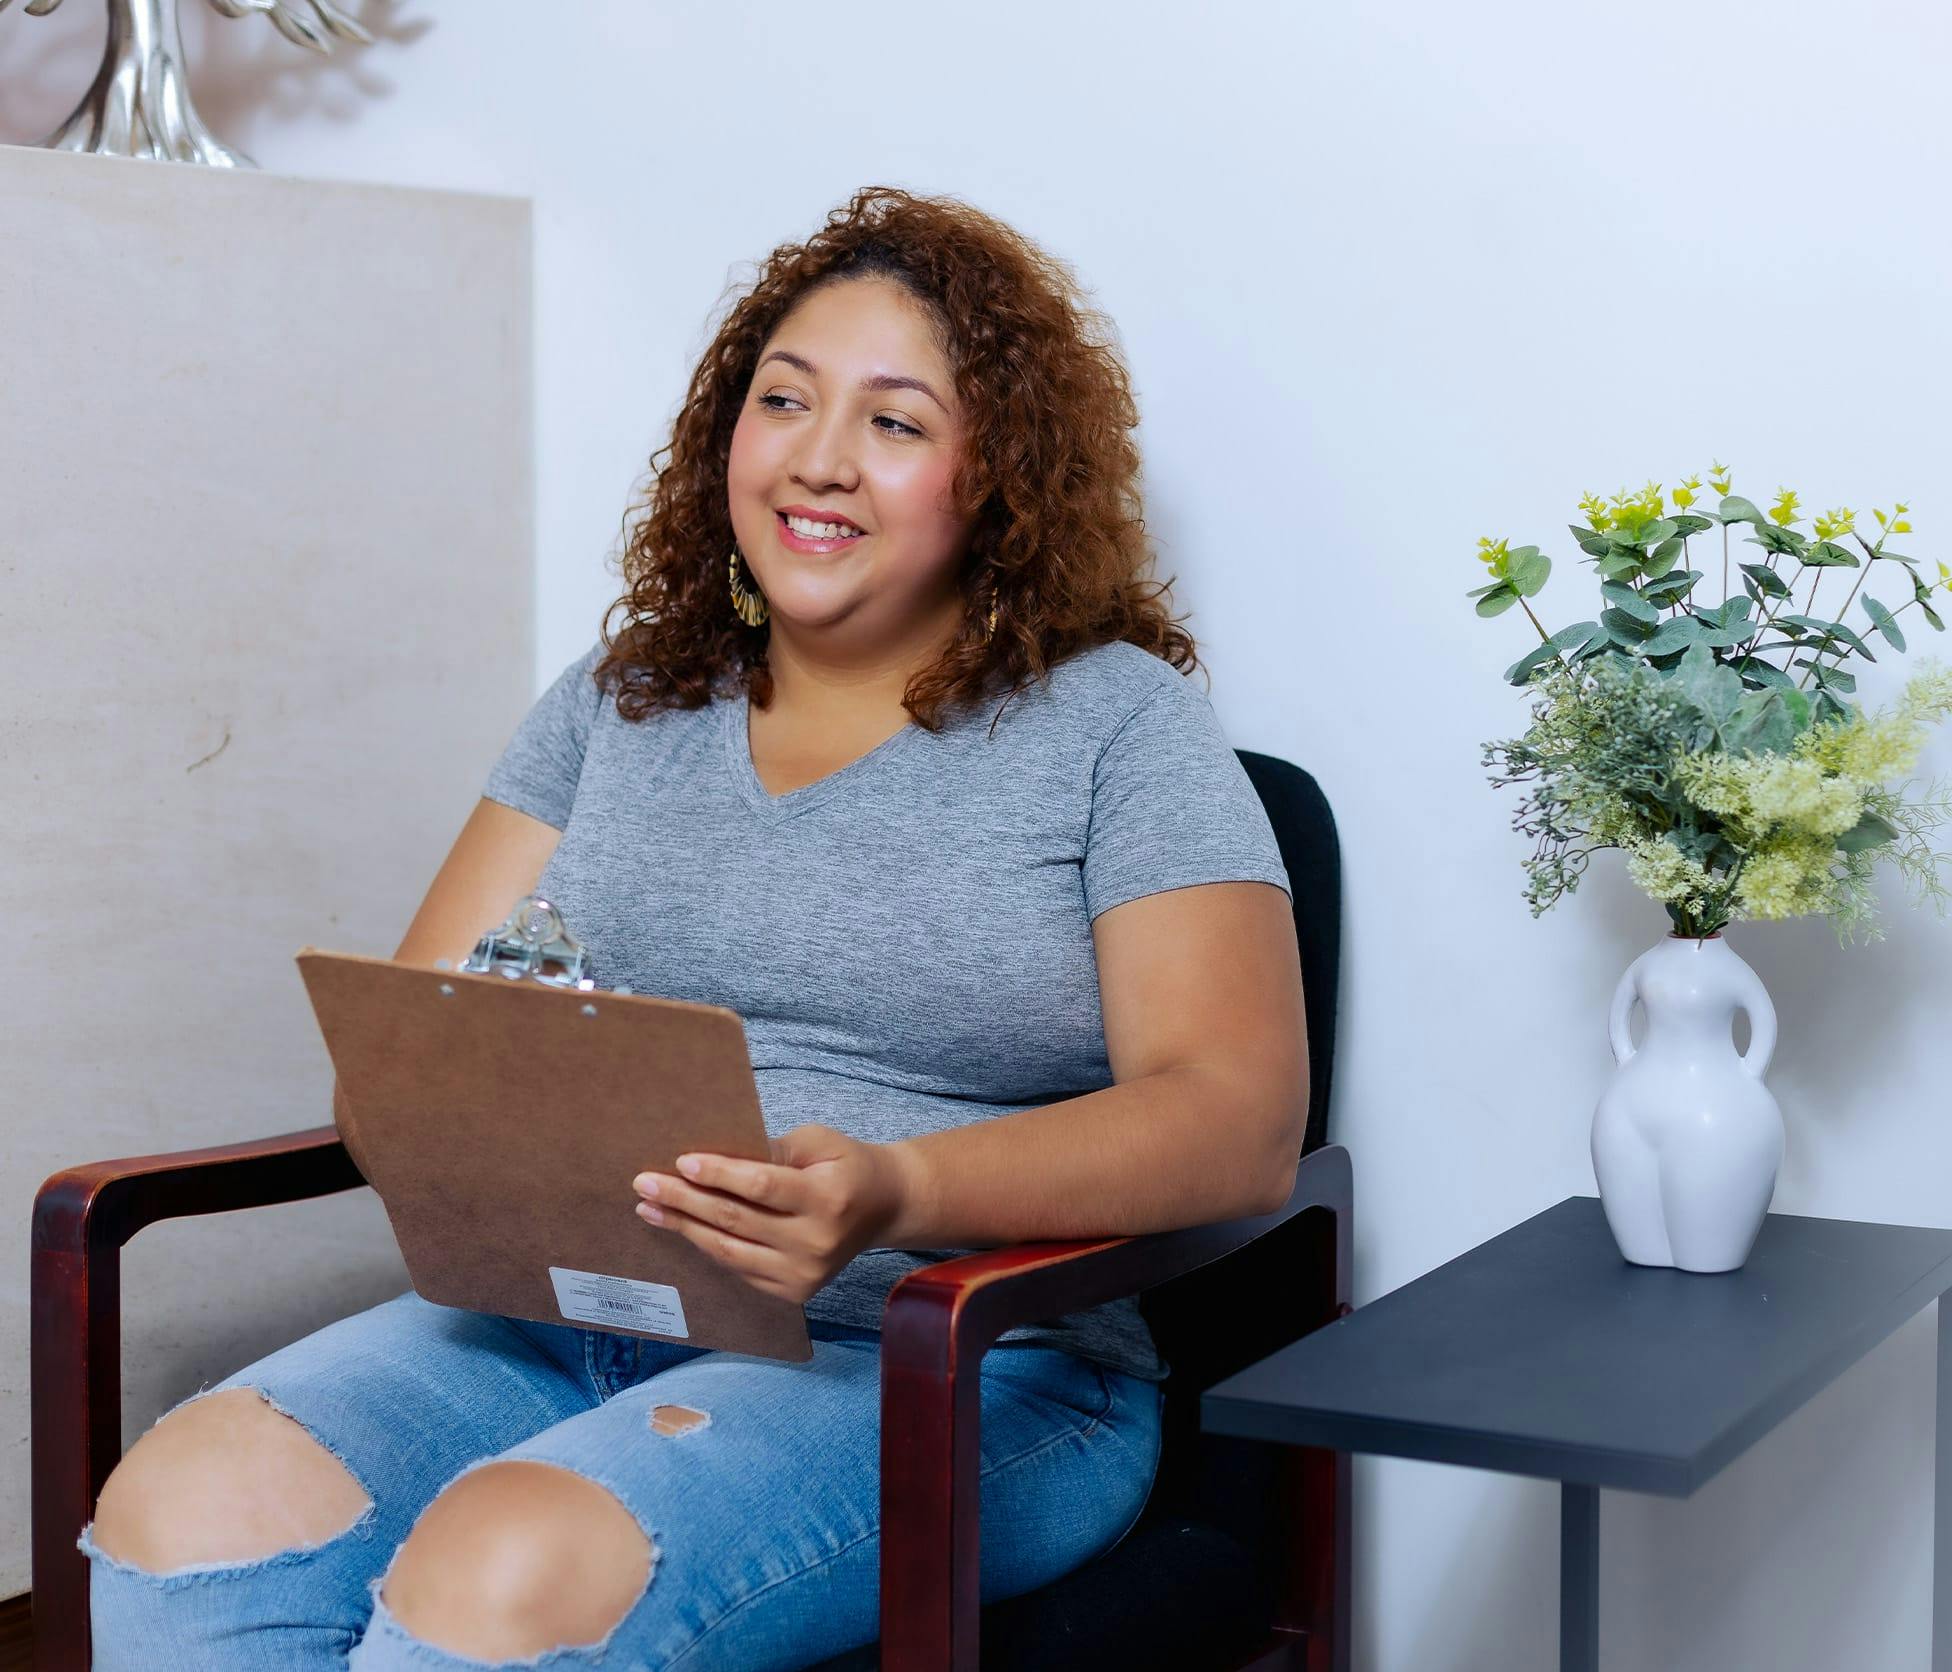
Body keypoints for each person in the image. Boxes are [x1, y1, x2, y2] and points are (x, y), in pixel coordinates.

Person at [78, 183, 1307, 1671]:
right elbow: (405, 1051)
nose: (820, 459)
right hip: (562, 1315)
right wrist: (501, 1074)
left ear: (997, 479)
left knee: (507, 1571)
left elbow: (1236, 1119)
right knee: (186, 1507)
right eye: (782, 400)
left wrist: (896, 1188)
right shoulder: (623, 696)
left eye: (897, 423)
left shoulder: (1120, 727)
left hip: (959, 1357)